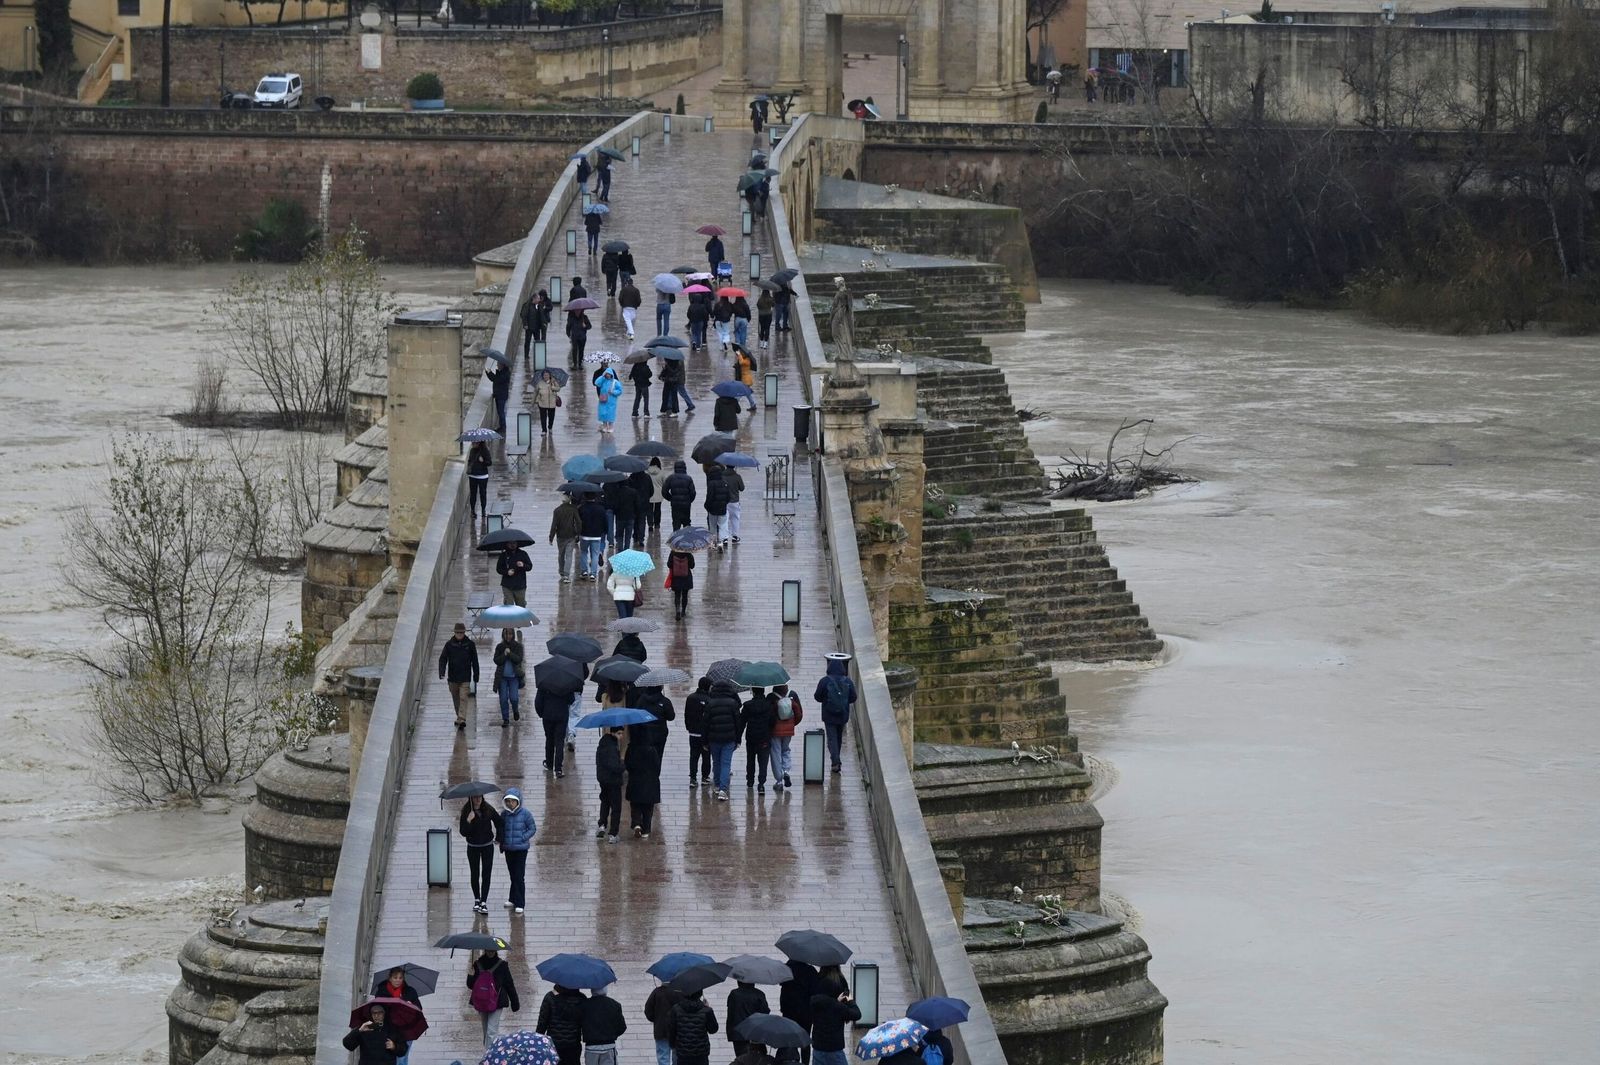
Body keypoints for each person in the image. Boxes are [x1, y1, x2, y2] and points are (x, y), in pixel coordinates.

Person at [814, 653, 857, 773]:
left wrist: (826, 700)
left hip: (829, 714)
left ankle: (835, 761)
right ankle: (836, 759)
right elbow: (853, 697)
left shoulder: (824, 681)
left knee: (832, 738)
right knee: (838, 737)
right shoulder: (848, 681)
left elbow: (817, 697)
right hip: (843, 715)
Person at [459, 792, 501, 914]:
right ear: (471, 798)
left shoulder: (488, 809)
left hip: (487, 846)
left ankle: (484, 901)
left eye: (479, 797)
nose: (478, 799)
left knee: (486, 874)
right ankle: (477, 899)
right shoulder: (467, 811)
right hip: (473, 847)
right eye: (475, 797)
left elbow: (499, 822)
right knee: (474, 873)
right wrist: (468, 820)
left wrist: (499, 838)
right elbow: (463, 832)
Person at [469, 948, 520, 1048]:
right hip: (482, 1002)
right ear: (485, 950)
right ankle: (488, 1054)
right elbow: (471, 985)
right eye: (488, 950)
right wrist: (470, 974)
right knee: (486, 1031)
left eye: (493, 950)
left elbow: (509, 984)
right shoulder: (478, 964)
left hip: (497, 1002)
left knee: (491, 1031)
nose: (491, 952)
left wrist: (515, 1002)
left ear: (496, 950)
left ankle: (489, 1059)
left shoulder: (502, 965)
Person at [702, 677, 743, 800]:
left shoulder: (710, 703)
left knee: (716, 761)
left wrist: (704, 740)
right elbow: (738, 723)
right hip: (729, 738)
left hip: (714, 738)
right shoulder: (733, 703)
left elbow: (705, 723)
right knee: (726, 763)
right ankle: (723, 790)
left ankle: (717, 785)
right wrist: (738, 739)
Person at [807, 972, 860, 1065]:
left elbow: (827, 1007)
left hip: (818, 1049)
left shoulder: (814, 1002)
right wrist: (850, 1000)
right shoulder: (838, 1007)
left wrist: (836, 1001)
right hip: (834, 1050)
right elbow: (857, 1014)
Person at [499, 786, 536, 914]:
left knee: (519, 876)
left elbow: (532, 828)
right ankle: (512, 898)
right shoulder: (504, 815)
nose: (510, 803)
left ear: (518, 801)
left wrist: (522, 837)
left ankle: (520, 902)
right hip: (509, 849)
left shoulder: (525, 814)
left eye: (513, 801)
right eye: (508, 801)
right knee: (512, 875)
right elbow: (501, 829)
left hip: (521, 849)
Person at [438, 622, 480, 730]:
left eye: (461, 632)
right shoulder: (449, 644)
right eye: (458, 632)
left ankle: (462, 718)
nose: (460, 634)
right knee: (456, 698)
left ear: (464, 632)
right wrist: (441, 672)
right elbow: (443, 659)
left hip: (465, 677)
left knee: (463, 697)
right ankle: (459, 716)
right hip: (453, 678)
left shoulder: (470, 645)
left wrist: (476, 675)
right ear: (455, 633)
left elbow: (475, 661)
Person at [778, 960, 818, 1065]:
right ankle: (805, 1063)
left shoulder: (787, 968)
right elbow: (815, 990)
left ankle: (792, 1061)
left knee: (790, 1040)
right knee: (805, 1041)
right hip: (806, 1012)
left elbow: (780, 982)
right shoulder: (810, 970)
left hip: (789, 1011)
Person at [538, 984, 589, 1065]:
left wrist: (538, 1041)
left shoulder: (550, 997)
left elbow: (542, 1023)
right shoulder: (582, 998)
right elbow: (585, 1023)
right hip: (573, 1045)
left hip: (554, 1044)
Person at [625, 727, 662, 837]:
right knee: (648, 807)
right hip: (650, 783)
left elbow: (628, 764)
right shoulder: (652, 750)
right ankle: (646, 829)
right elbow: (657, 767)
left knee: (635, 804)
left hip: (635, 781)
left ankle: (636, 823)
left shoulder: (632, 748)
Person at [343, 1002, 407, 1065]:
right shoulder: (365, 1026)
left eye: (379, 1013)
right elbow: (348, 1045)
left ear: (384, 1013)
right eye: (374, 1013)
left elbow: (403, 1050)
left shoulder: (393, 1029)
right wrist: (359, 1031)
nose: (376, 1016)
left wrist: (394, 1047)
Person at [667, 989, 719, 1065]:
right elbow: (713, 1030)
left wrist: (673, 1045)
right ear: (700, 994)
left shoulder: (675, 1009)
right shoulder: (706, 1010)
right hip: (701, 1052)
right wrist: (708, 1009)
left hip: (682, 1052)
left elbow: (672, 1030)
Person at [535, 680, 572, 777]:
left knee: (549, 739)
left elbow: (538, 702)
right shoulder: (566, 683)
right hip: (561, 716)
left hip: (548, 716)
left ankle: (550, 763)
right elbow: (571, 699)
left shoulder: (543, 683)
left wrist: (541, 713)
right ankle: (558, 769)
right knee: (559, 742)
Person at [740, 685, 774, 791]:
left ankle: (750, 781)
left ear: (753, 692)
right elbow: (773, 721)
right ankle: (761, 784)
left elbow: (742, 722)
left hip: (751, 737)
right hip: (764, 738)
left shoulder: (747, 705)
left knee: (750, 759)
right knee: (763, 761)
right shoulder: (769, 705)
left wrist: (738, 737)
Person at [769, 683, 802, 790]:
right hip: (788, 732)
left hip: (775, 732)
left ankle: (779, 781)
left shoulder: (772, 699)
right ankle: (786, 771)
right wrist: (792, 724)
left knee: (776, 754)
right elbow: (799, 714)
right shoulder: (791, 698)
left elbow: (768, 716)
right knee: (786, 750)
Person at [581, 987, 627, 1065]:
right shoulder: (615, 1004)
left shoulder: (584, 1005)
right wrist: (612, 1034)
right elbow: (622, 1027)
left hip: (591, 1047)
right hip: (609, 1045)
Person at [595, 726, 625, 842]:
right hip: (613, 781)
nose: (621, 736)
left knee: (605, 802)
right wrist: (622, 764)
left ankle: (602, 824)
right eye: (619, 733)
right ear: (613, 733)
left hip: (603, 780)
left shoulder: (602, 745)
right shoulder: (612, 748)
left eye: (622, 733)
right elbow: (614, 767)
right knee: (616, 807)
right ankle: (613, 833)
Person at [727, 980, 770, 1058]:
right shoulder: (759, 994)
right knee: (758, 1059)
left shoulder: (734, 994)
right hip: (756, 1033)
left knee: (741, 1059)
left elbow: (731, 1014)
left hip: (739, 1034)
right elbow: (765, 1012)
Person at [644, 980, 684, 1065]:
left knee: (663, 1057)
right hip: (678, 1030)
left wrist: (656, 1019)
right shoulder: (680, 992)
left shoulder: (657, 992)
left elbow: (648, 1010)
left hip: (661, 1029)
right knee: (677, 1057)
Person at [492, 629, 525, 726]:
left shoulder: (518, 646)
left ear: (513, 635)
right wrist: (504, 654)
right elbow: (497, 660)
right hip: (502, 678)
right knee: (503, 699)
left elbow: (518, 659)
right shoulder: (500, 647)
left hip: (514, 677)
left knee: (514, 698)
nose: (508, 636)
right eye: (506, 634)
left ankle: (515, 710)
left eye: (510, 634)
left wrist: (510, 654)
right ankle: (505, 718)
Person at [578, 494, 608, 580]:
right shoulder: (601, 509)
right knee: (595, 554)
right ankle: (593, 574)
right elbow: (605, 522)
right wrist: (605, 531)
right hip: (597, 535)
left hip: (584, 535)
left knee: (584, 552)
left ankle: (584, 571)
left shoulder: (581, 508)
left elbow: (579, 521)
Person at [663, 460, 697, 531]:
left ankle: (676, 539)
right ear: (684, 467)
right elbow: (693, 493)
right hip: (686, 505)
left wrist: (671, 498)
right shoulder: (688, 478)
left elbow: (664, 491)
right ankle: (686, 538)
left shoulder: (671, 478)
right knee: (687, 522)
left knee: (676, 523)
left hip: (675, 505)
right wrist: (689, 500)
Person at [703, 465, 732, 549]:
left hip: (712, 509)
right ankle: (721, 542)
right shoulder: (725, 482)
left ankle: (713, 543)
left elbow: (709, 497)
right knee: (722, 525)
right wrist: (724, 504)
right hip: (722, 508)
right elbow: (728, 497)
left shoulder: (711, 484)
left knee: (713, 526)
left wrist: (707, 506)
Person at [497, 542, 532, 606]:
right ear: (507, 544)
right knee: (508, 606)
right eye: (510, 543)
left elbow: (529, 567)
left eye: (514, 543)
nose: (512, 545)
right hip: (507, 585)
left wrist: (523, 565)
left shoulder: (523, 554)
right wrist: (507, 572)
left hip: (520, 585)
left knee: (521, 606)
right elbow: (499, 569)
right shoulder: (503, 555)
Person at [666, 546, 695, 621]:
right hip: (686, 577)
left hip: (676, 577)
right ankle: (683, 612)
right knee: (685, 595)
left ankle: (677, 610)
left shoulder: (673, 552)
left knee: (677, 595)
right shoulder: (688, 552)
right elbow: (692, 566)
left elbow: (669, 564)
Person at [523, 288, 552, 359]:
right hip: (529, 327)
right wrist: (525, 324)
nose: (539, 300)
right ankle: (526, 355)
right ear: (534, 299)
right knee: (528, 341)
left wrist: (543, 323)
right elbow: (524, 315)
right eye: (538, 298)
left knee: (538, 341)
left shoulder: (540, 306)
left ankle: (538, 355)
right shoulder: (527, 305)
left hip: (536, 327)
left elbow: (541, 315)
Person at [532, 368, 562, 434]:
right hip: (542, 403)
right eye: (544, 375)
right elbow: (535, 393)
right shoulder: (540, 383)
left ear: (549, 375)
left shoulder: (553, 382)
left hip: (552, 403)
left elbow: (558, 388)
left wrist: (553, 388)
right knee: (543, 418)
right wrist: (533, 402)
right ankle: (544, 430)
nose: (546, 376)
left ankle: (550, 427)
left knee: (551, 417)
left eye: (547, 375)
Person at [595, 366, 623, 433]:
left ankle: (611, 426)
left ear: (611, 374)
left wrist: (613, 392)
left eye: (609, 374)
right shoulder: (603, 380)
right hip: (603, 400)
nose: (607, 375)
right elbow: (597, 383)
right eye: (606, 374)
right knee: (603, 413)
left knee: (610, 413)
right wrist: (602, 377)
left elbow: (620, 391)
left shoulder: (615, 382)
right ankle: (604, 426)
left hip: (611, 401)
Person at [723, 465, 746, 543]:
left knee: (724, 519)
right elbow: (742, 488)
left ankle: (725, 537)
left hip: (724, 501)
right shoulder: (737, 476)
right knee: (735, 518)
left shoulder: (722, 476)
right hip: (734, 501)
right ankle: (735, 536)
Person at [487, 361, 511, 433]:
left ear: (502, 365)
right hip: (499, 395)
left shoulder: (505, 373)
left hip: (501, 395)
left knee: (501, 412)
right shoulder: (501, 372)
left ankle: (503, 427)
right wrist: (488, 373)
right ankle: (501, 426)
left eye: (498, 364)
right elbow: (494, 379)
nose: (497, 365)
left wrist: (489, 373)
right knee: (500, 412)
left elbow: (497, 380)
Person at [646, 457, 666, 531]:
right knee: (658, 509)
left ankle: (650, 525)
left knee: (649, 510)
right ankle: (657, 524)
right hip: (659, 494)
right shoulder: (661, 472)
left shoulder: (647, 472)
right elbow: (665, 483)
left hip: (649, 494)